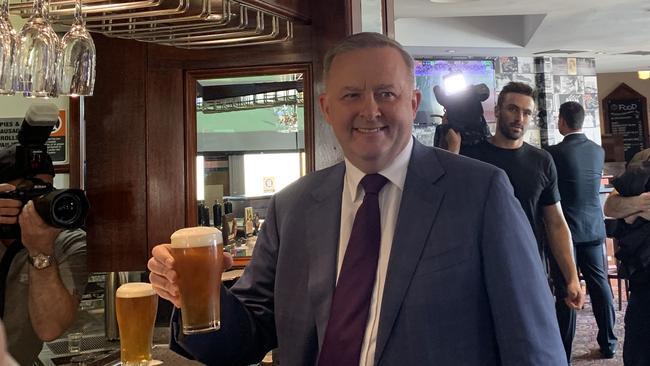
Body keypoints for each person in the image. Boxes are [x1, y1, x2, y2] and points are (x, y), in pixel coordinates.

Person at [148, 32, 567, 366]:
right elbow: (246, 340)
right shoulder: (292, 207)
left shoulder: (481, 192)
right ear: (327, 108)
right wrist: (198, 298)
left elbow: (532, 343)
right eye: (351, 95)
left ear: (413, 102)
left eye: (386, 93)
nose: (370, 111)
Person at [445, 82, 585, 364]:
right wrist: (451, 155)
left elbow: (555, 222)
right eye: (512, 108)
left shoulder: (542, 161)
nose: (518, 117)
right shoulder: (472, 157)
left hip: (530, 269)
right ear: (497, 111)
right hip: (478, 272)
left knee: (531, 346)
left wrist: (571, 276)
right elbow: (447, 209)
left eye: (526, 112)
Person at [0, 144, 87, 365]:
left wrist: (39, 250)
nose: (38, 200)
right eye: (29, 190)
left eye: (45, 190)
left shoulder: (67, 241)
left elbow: (50, 328)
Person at [545, 101, 617, 359]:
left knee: (567, 290)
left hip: (565, 232)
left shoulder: (552, 153)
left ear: (562, 121)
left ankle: (563, 352)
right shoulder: (597, 151)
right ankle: (609, 343)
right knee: (600, 287)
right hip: (594, 228)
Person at [603, 166, 650, 366]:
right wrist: (642, 203)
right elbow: (611, 207)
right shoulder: (643, 162)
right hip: (645, 276)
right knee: (639, 347)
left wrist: (634, 211)